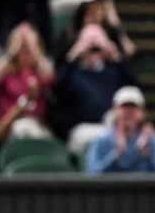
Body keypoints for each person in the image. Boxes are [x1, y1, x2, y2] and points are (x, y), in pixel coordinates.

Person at [52, 23, 139, 155]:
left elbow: (134, 87)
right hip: (81, 130)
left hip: (111, 127)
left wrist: (116, 56)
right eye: (88, 45)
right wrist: (71, 57)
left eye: (97, 46)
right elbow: (56, 91)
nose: (92, 50)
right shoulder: (73, 73)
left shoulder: (113, 71)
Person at [0, 21, 54, 140]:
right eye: (22, 47)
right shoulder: (7, 68)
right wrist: (11, 51)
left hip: (37, 122)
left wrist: (35, 50)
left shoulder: (39, 69)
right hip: (9, 125)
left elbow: (51, 80)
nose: (26, 52)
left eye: (29, 48)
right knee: (23, 128)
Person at [85, 86, 155, 174]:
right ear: (114, 110)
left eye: (133, 108)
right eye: (124, 107)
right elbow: (91, 174)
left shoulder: (153, 139)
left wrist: (146, 154)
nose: (129, 112)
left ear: (143, 112)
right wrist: (115, 155)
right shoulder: (102, 139)